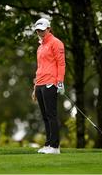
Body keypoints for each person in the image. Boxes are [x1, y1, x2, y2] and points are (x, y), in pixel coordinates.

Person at [32, 18, 66, 154]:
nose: (40, 32)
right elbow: (39, 68)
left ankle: (55, 146)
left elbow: (61, 63)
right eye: (37, 30)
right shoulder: (40, 47)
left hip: (50, 83)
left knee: (51, 115)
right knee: (45, 116)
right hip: (39, 83)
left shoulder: (56, 43)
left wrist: (60, 82)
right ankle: (48, 144)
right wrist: (34, 87)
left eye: (42, 29)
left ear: (48, 28)